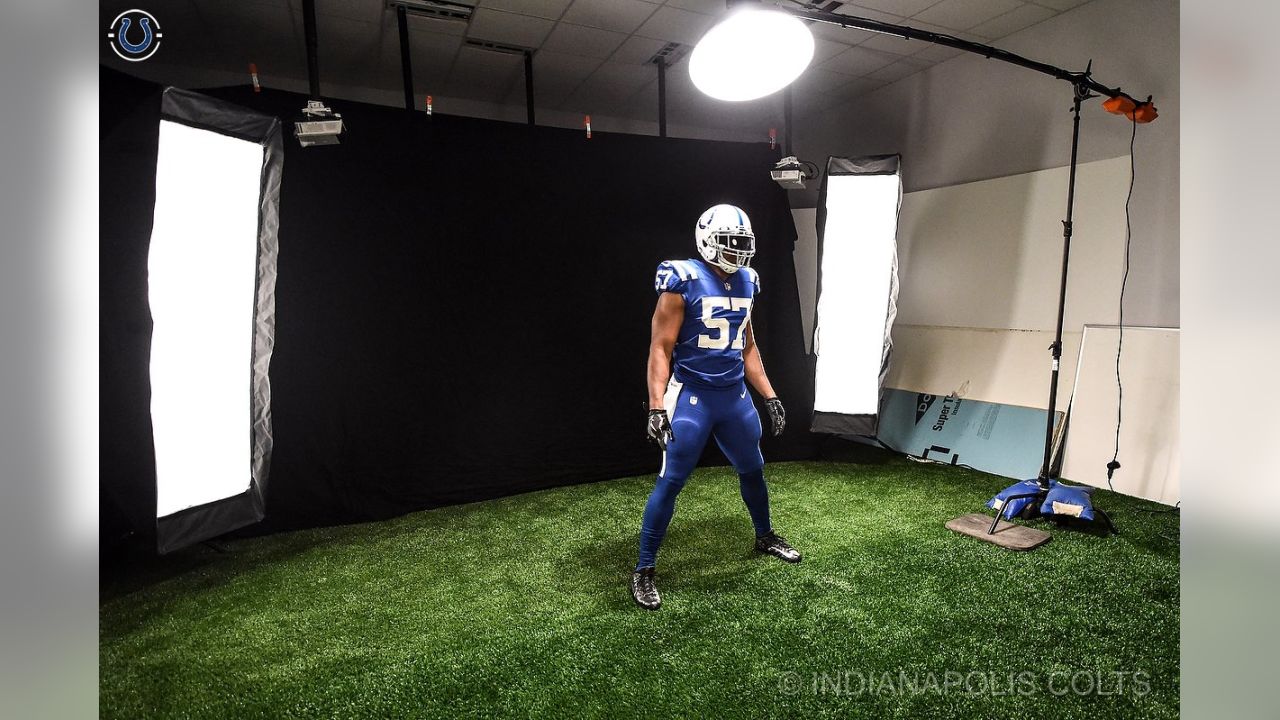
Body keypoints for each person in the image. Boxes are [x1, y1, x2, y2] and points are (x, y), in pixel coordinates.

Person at [631, 203, 800, 611]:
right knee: (671, 480)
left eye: (744, 242)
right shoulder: (682, 279)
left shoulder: (748, 281)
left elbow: (747, 344)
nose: (739, 250)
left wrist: (770, 394)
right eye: (731, 242)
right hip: (692, 395)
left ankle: (764, 536)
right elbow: (660, 347)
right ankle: (644, 568)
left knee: (753, 468)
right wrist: (656, 405)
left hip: (734, 396)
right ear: (707, 240)